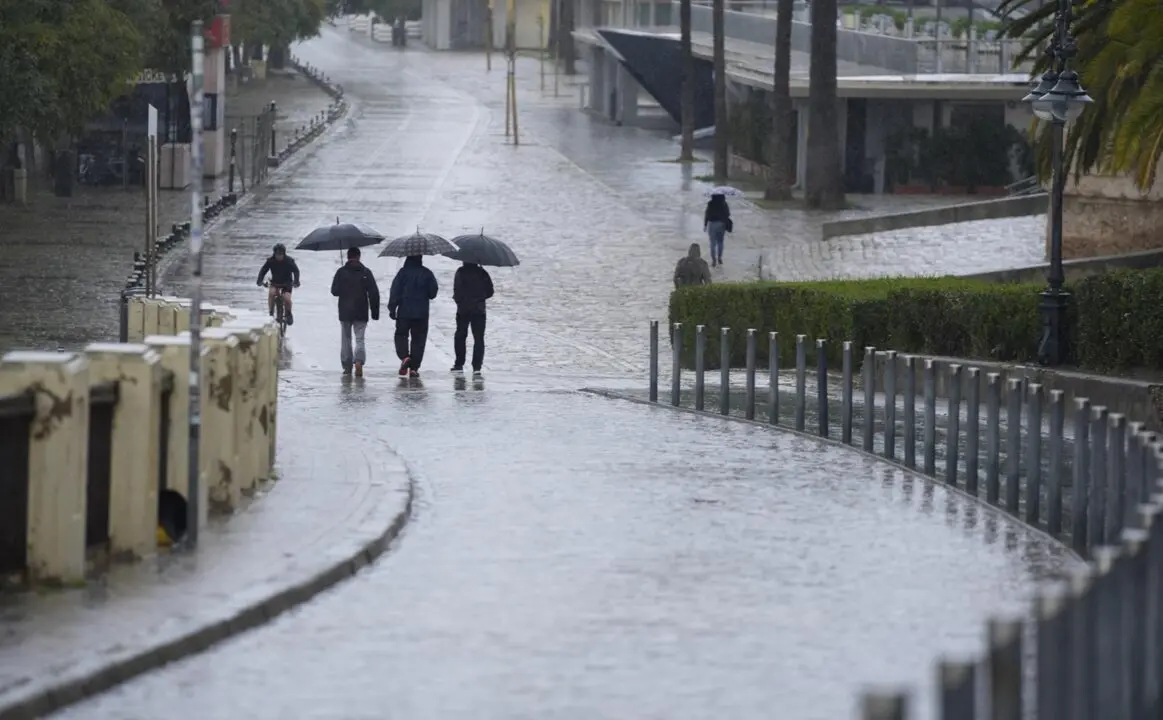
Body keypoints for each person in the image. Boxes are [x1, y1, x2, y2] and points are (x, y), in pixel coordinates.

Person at [330, 246, 381, 377]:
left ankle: (347, 366)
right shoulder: (366, 272)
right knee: (360, 339)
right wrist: (375, 313)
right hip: (361, 310)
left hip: (345, 311)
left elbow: (334, 291)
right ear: (359, 257)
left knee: (346, 339)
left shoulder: (341, 272)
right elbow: (374, 293)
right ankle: (358, 361)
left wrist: (343, 285)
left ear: (347, 257)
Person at [388, 255, 439, 377]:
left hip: (404, 311)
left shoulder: (402, 273)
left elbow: (395, 291)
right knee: (419, 340)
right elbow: (433, 293)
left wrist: (392, 308)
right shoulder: (427, 273)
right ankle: (414, 368)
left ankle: (405, 357)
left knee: (401, 335)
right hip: (421, 313)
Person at [450, 261, 494, 375]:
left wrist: (459, 301)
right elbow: (490, 291)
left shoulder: (460, 272)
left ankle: (459, 364)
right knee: (479, 338)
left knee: (460, 335)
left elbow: (457, 289)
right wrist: (480, 297)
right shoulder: (482, 273)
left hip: (463, 309)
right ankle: (477, 367)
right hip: (479, 310)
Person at [256, 243, 301, 324]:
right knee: (271, 293)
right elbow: (263, 271)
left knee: (287, 299)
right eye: (277, 254)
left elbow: (296, 271)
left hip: (287, 284)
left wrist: (296, 281)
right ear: (274, 254)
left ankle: (289, 313)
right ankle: (271, 312)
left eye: (281, 254)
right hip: (275, 283)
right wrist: (259, 280)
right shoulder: (270, 261)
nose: (279, 256)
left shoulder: (289, 261)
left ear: (284, 254)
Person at [703, 193, 732, 267]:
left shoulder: (710, 204)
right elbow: (728, 214)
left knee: (712, 243)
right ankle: (719, 258)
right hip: (722, 224)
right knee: (720, 242)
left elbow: (707, 214)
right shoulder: (724, 204)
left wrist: (705, 224)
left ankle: (713, 260)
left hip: (712, 224)